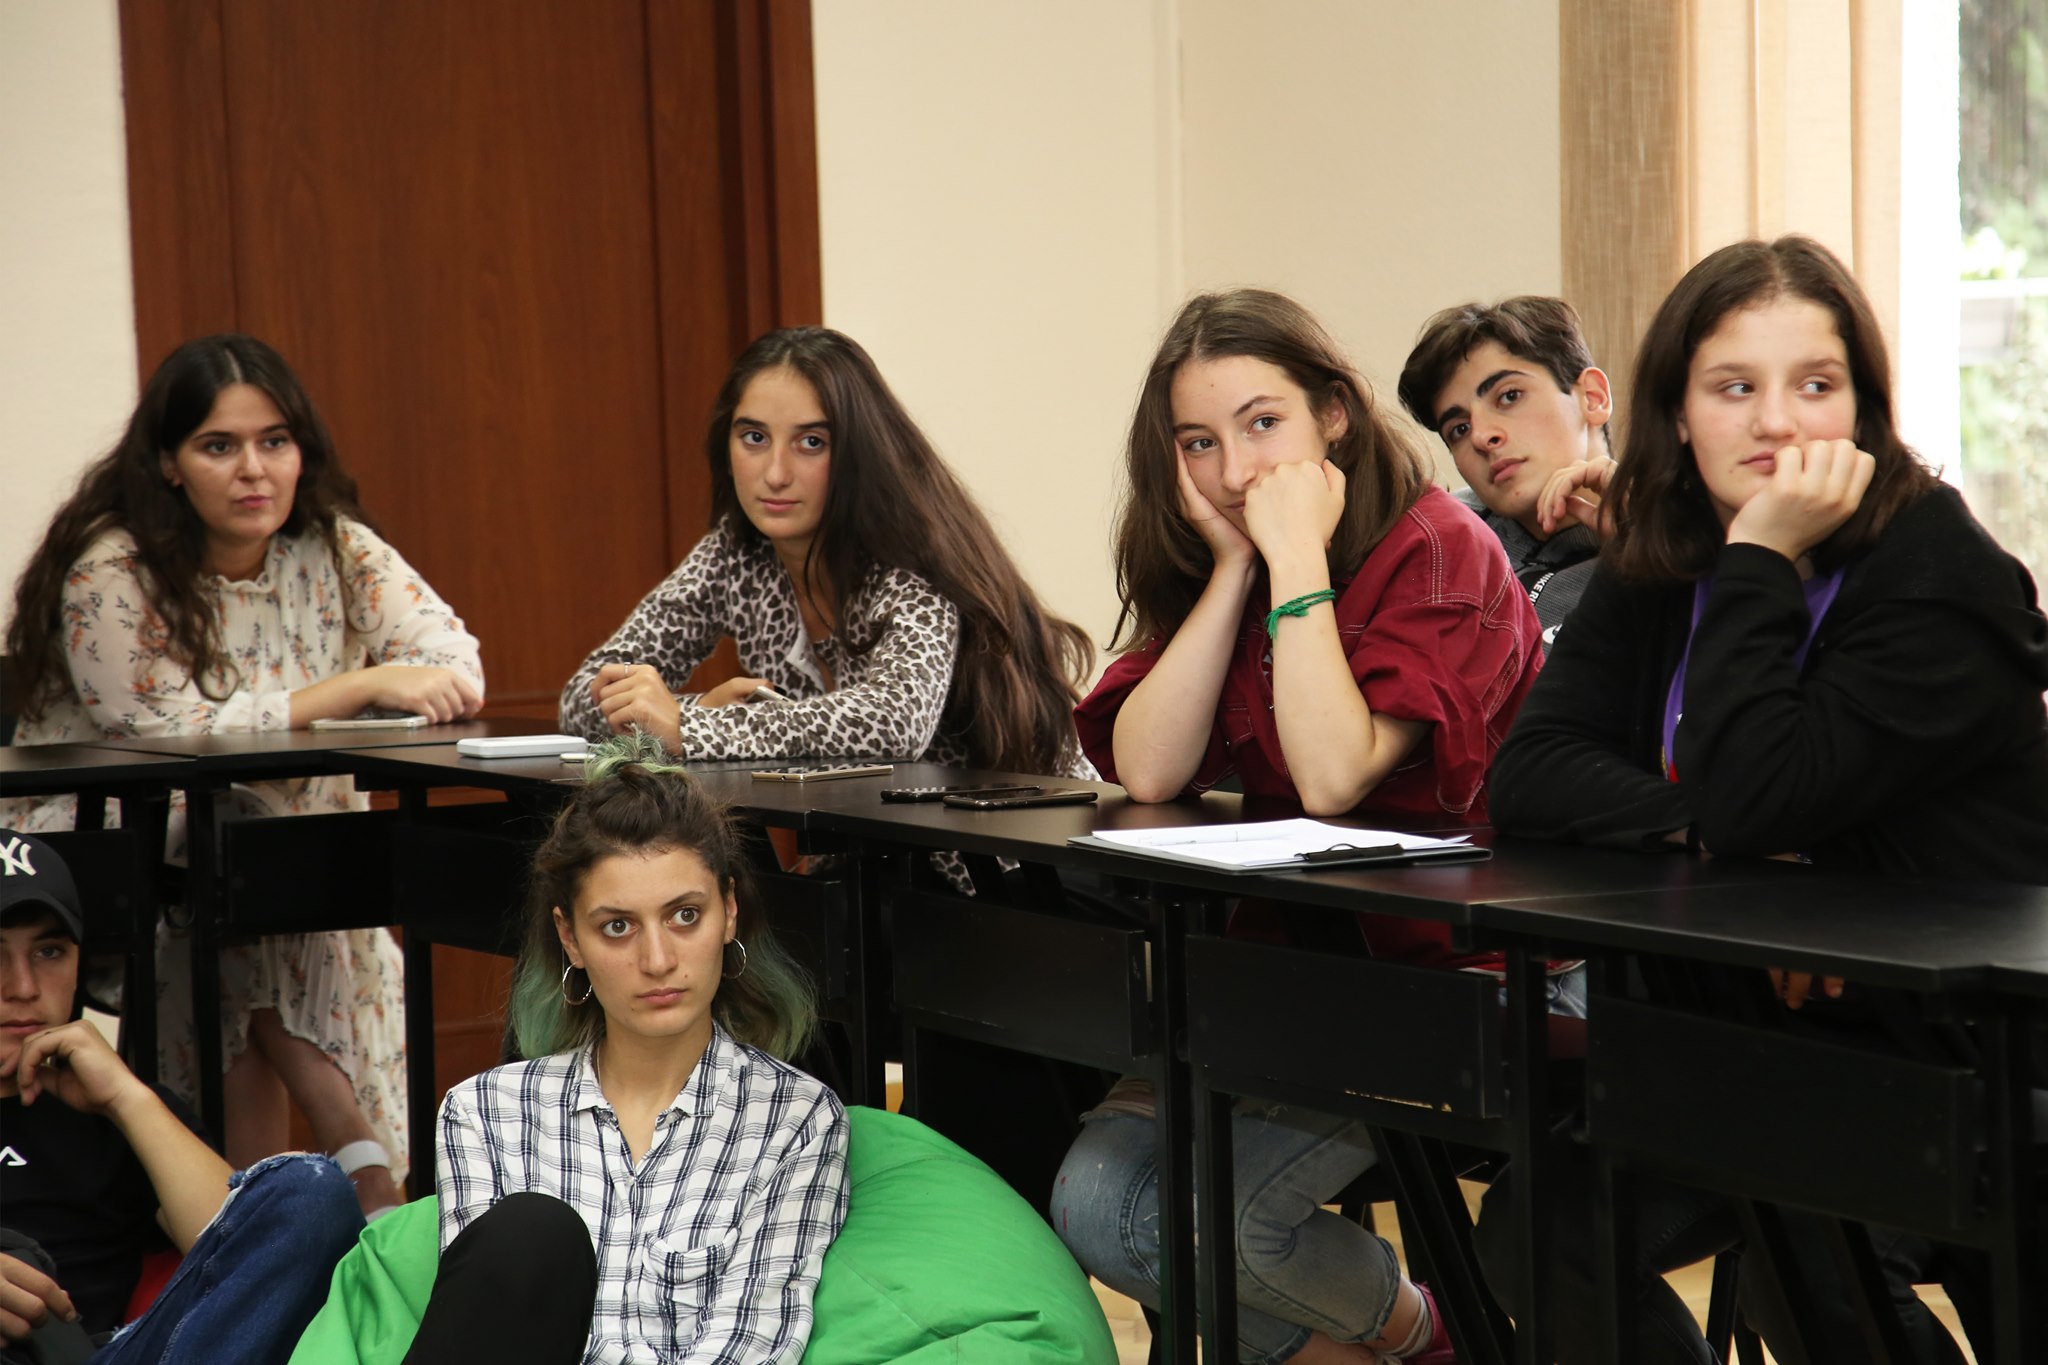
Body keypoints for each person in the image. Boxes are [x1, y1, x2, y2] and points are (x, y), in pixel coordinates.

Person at [1481, 235, 2048, 1364]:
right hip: (1760, 1038)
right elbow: (1532, 774)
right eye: (1734, 388)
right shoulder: (1667, 552)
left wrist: (1759, 559)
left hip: (1959, 1052)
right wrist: (1720, 841)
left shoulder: (1939, 575)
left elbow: (1763, 794)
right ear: (1676, 413)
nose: (1777, 423)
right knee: (1543, 1222)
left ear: (1863, 411)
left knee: (1812, 1245)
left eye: (1815, 386)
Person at [1054, 288, 1554, 1365]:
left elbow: (1332, 774)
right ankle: (1427, 1340)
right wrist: (1238, 565)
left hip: (1457, 981)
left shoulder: (1439, 547)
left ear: (1334, 414)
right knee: (1099, 1203)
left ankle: (1440, 1338)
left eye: (1262, 423)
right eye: (1199, 442)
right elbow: (1147, 764)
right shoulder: (1227, 554)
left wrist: (1293, 562)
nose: (1236, 471)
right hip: (1293, 973)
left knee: (1216, 1227)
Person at [3, 334, 488, 1215]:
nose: (254, 469)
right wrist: (356, 688)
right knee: (239, 864)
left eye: (275, 441)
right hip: (98, 849)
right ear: (169, 463)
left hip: (271, 868)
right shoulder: (111, 566)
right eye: (219, 445)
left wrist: (388, 688)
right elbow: (159, 727)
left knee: (248, 882)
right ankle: (364, 1169)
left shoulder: (335, 547)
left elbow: (453, 663)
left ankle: (261, 1214)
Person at [414, 734, 846, 1365]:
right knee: (533, 1232)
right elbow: (489, 1333)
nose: (658, 959)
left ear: (729, 910)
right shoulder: (482, 1112)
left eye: (685, 915)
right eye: (617, 926)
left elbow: (752, 1343)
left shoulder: (797, 1120)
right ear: (570, 937)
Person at [559, 326, 1092, 778]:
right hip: (866, 849)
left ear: (859, 451)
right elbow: (582, 697)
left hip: (1024, 849)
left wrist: (691, 725)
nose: (775, 474)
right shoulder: (735, 553)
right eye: (754, 438)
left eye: (811, 442)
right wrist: (691, 710)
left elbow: (896, 720)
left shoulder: (911, 552)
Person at [0, 831, 363, 1365]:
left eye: (49, 952)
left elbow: (247, 1255)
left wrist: (126, 1099)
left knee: (310, 1190)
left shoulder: (114, 1108)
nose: (24, 987)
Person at [1397, 295, 1615, 644]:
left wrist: (1651, 547)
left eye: (1509, 396)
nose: (1482, 437)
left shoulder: (1688, 530)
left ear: (1592, 397)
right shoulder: (1433, 543)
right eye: (1459, 429)